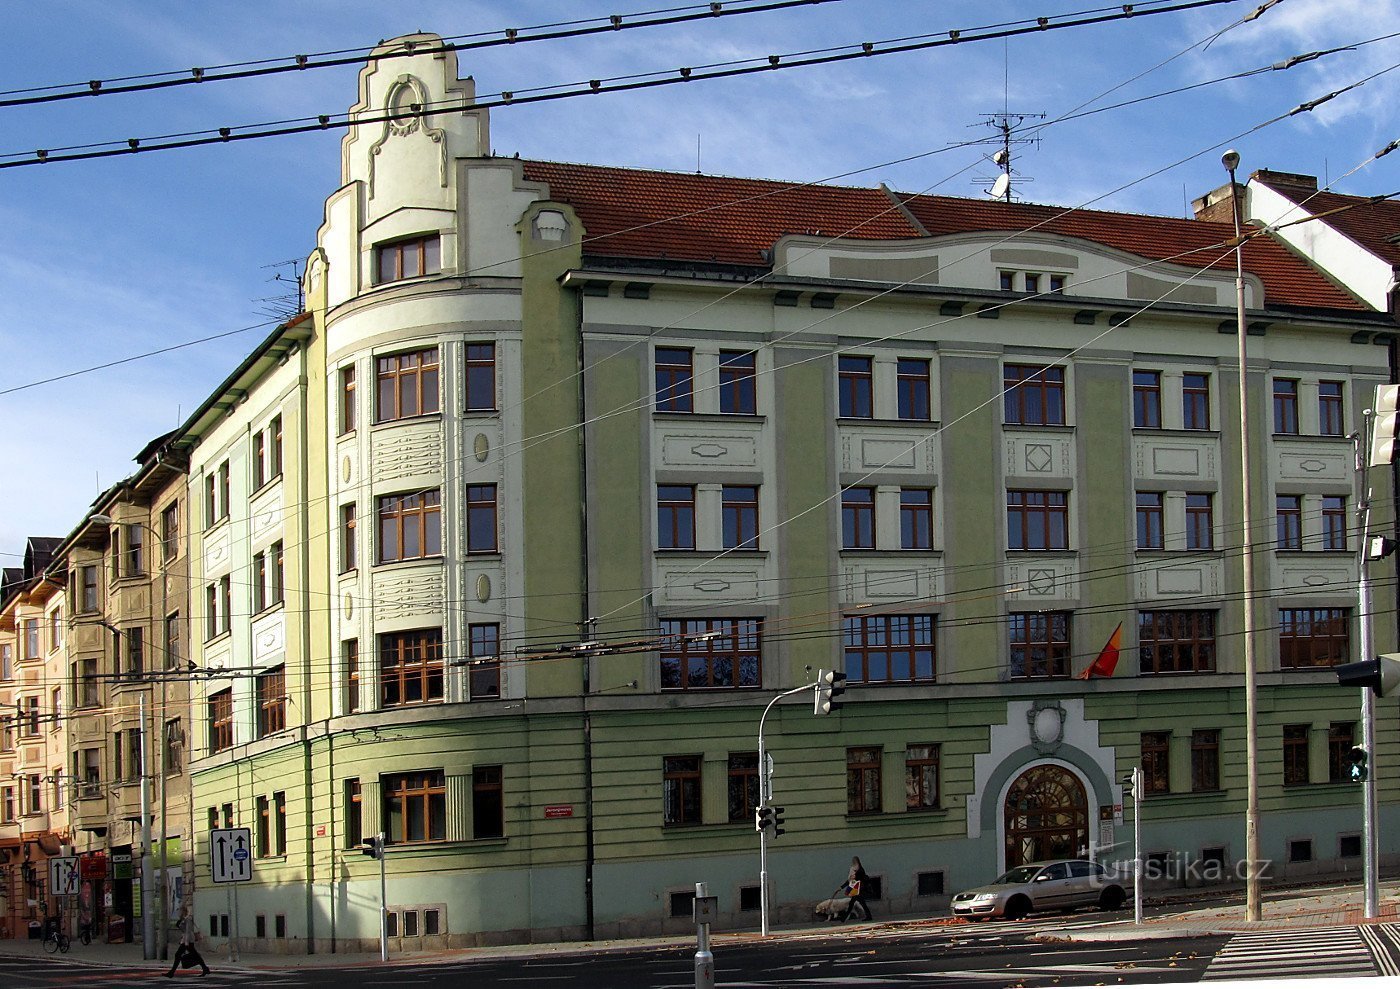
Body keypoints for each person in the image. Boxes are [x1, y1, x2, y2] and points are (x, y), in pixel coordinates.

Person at [841, 855, 871, 922]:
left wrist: (843, 887)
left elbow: (853, 881)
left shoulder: (859, 871)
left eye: (854, 861)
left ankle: (844, 918)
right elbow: (851, 881)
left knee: (856, 904)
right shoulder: (858, 870)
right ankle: (844, 918)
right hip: (856, 889)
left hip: (858, 890)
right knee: (853, 904)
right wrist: (842, 887)